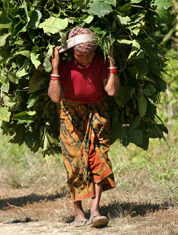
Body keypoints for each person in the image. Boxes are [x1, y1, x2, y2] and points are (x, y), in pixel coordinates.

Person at [48, 27, 120, 228]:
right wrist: (55, 68)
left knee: (99, 157)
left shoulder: (101, 61)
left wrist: (111, 62)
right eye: (81, 55)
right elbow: (55, 97)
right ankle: (78, 211)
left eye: (90, 54)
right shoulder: (64, 66)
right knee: (74, 163)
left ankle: (95, 210)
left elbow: (112, 91)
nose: (87, 59)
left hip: (98, 112)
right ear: (72, 53)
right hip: (71, 114)